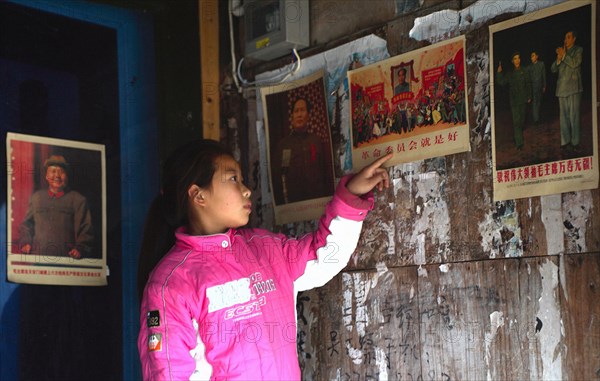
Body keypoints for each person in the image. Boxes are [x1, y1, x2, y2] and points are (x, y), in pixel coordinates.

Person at [137, 139, 391, 380]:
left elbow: (323, 254)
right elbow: (168, 372)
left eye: (243, 179)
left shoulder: (266, 249)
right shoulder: (170, 284)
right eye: (233, 179)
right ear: (198, 195)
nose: (246, 190)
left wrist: (350, 195)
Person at [18, 154, 94, 259]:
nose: (57, 176)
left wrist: (80, 249)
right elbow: (26, 225)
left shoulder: (78, 200)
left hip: (67, 260)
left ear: (67, 175)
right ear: (46, 176)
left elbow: (86, 230)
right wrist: (26, 242)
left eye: (62, 172)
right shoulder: (37, 198)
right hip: (37, 258)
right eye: (53, 171)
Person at [272, 97, 332, 204]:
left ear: (308, 115)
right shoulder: (285, 145)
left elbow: (325, 172)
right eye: (296, 111)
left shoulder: (316, 140)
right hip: (294, 202)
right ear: (292, 116)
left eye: (302, 110)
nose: (299, 114)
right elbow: (280, 176)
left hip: (317, 200)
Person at [551, 30, 583, 152]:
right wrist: (559, 59)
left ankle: (575, 143)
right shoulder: (562, 52)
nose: (566, 39)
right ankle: (565, 142)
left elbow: (575, 63)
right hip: (561, 89)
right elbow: (553, 69)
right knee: (563, 117)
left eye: (569, 37)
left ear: (574, 39)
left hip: (574, 88)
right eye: (565, 37)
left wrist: (564, 55)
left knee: (574, 116)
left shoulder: (578, 50)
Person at [496, 52, 532, 150]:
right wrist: (499, 73)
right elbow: (502, 82)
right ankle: (519, 143)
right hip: (514, 101)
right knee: (516, 122)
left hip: (523, 100)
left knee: (521, 121)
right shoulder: (510, 74)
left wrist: (529, 96)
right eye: (515, 59)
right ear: (512, 61)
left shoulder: (524, 71)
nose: (517, 60)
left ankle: (518, 134)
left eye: (518, 58)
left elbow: (528, 84)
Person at [528, 51, 546, 125]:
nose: (531, 58)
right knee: (535, 102)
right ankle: (536, 120)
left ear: (537, 56)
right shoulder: (530, 67)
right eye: (531, 56)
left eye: (533, 56)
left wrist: (544, 85)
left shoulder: (541, 64)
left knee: (538, 102)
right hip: (533, 87)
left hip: (540, 86)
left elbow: (544, 75)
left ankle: (538, 117)